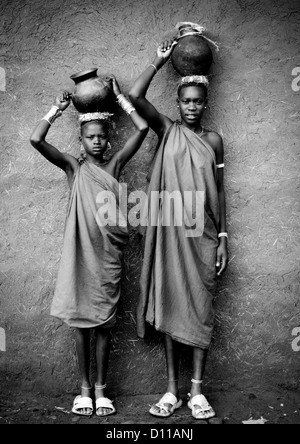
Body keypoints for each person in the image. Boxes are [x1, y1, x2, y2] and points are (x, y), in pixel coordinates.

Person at [30, 76, 148, 417]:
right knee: (82, 325)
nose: (96, 142)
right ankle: (83, 390)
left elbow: (140, 130)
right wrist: (57, 109)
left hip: (108, 258)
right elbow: (36, 139)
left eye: (101, 137)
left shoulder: (113, 167)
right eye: (89, 137)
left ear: (109, 141)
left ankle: (101, 390)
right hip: (80, 257)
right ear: (80, 141)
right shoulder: (73, 168)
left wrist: (118, 97)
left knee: (105, 326)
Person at [129, 40, 228, 420]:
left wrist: (222, 237)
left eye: (197, 101)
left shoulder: (214, 141)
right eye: (185, 100)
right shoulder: (167, 130)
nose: (191, 107)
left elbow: (218, 191)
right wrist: (160, 59)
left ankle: (197, 392)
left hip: (202, 235)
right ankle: (172, 390)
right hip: (170, 232)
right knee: (171, 304)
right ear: (177, 102)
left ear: (205, 103)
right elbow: (136, 95)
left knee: (201, 309)